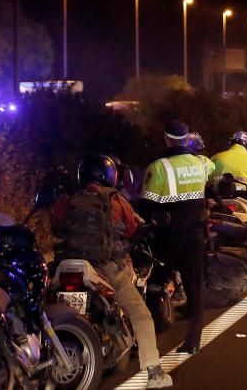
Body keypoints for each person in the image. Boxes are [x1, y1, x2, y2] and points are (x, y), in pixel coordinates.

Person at [52, 155, 172, 388]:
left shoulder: (66, 199)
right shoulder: (116, 200)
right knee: (141, 315)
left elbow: (55, 227)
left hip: (66, 264)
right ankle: (154, 373)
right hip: (104, 267)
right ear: (110, 175)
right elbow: (131, 228)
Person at [138, 120, 217, 355]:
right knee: (195, 288)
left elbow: (146, 206)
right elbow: (212, 167)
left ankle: (155, 329)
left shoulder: (159, 167)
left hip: (168, 239)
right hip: (195, 237)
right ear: (186, 139)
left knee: (155, 283)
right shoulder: (201, 163)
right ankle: (193, 340)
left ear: (166, 139)